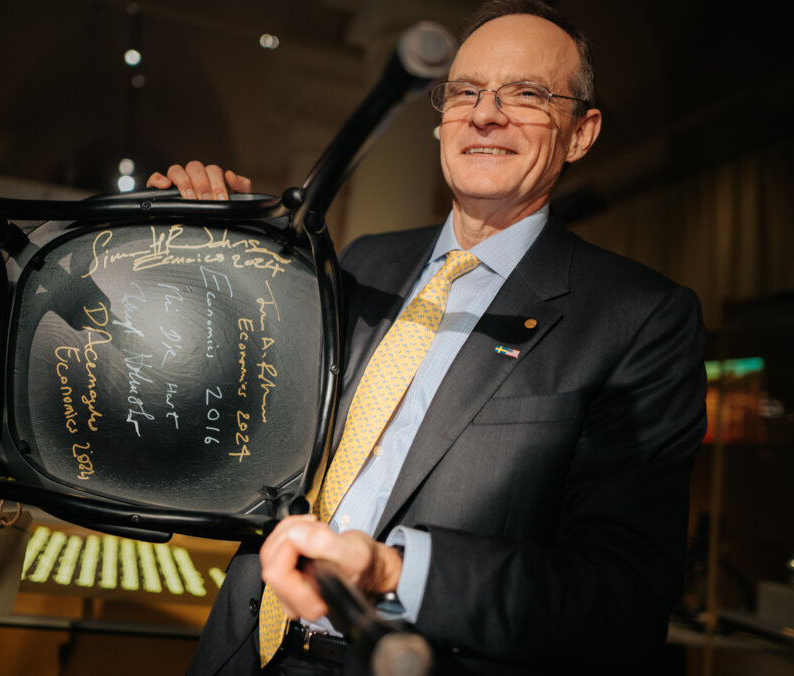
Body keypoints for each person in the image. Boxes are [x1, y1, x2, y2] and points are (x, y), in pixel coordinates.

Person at [148, 1, 707, 673]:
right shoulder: (363, 260)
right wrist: (212, 266)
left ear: (581, 132)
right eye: (465, 90)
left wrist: (396, 572)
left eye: (526, 94)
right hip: (244, 649)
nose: (485, 112)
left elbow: (624, 596)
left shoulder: (640, 318)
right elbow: (245, 425)